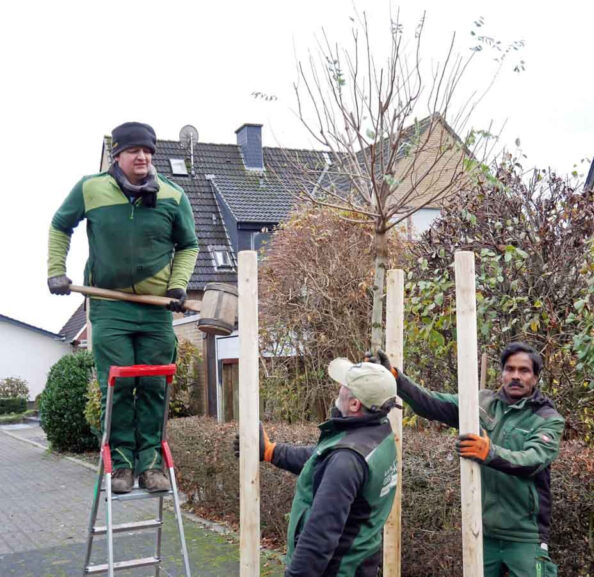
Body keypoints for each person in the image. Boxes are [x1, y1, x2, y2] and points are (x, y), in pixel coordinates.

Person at [47, 121, 199, 494]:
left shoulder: (172, 195)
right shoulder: (90, 188)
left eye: (148, 152)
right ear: (117, 155)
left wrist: (178, 286)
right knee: (118, 384)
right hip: (109, 305)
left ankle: (150, 465)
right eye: (134, 151)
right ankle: (122, 467)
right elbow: (59, 225)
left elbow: (189, 245)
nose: (143, 158)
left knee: (153, 384)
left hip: (155, 308)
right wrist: (56, 271)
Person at [368, 342, 564, 577]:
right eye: (509, 369)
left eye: (524, 371)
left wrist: (489, 453)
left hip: (525, 537)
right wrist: (396, 379)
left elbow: (533, 459)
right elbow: (433, 404)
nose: (515, 376)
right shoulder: (481, 404)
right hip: (482, 533)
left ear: (535, 377)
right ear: (501, 373)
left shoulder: (547, 418)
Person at [234, 359, 399, 577]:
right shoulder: (378, 435)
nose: (338, 389)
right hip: (360, 566)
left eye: (343, 386)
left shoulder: (346, 460)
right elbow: (323, 461)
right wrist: (271, 452)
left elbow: (318, 539)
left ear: (355, 404)